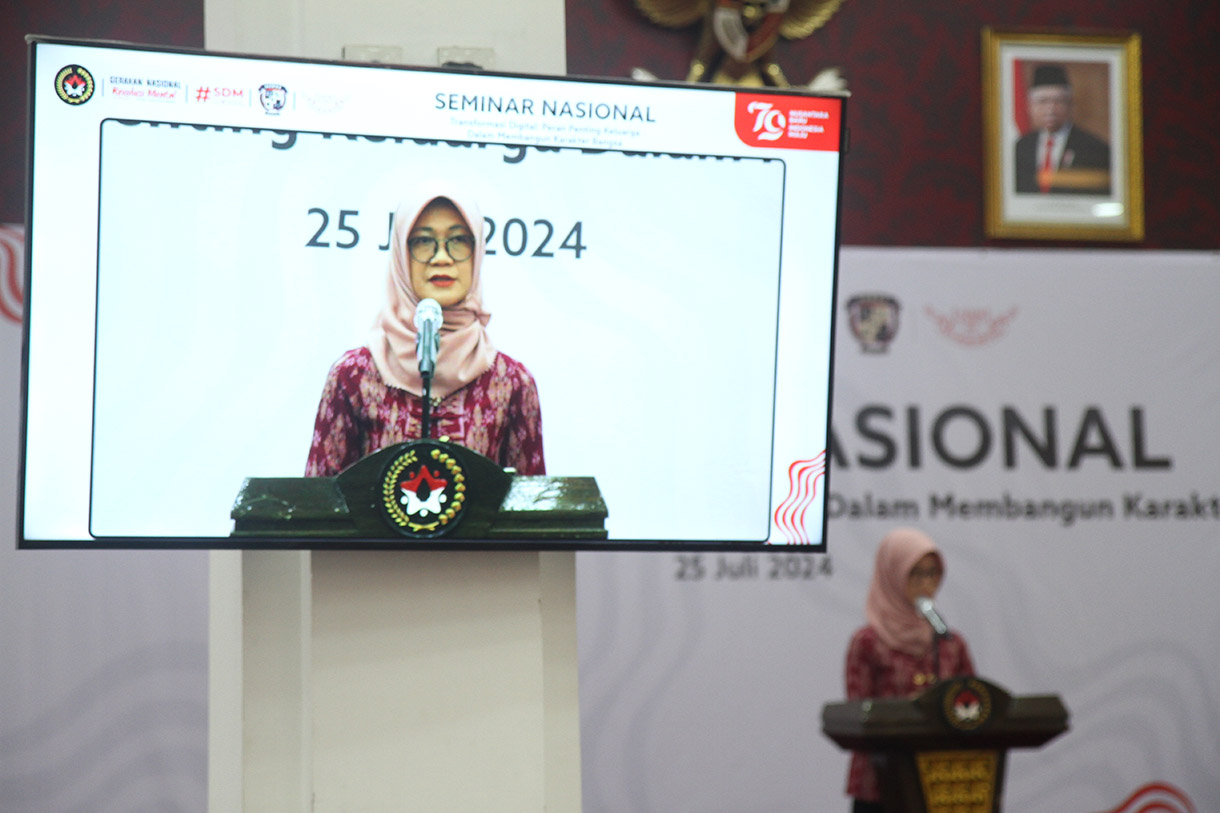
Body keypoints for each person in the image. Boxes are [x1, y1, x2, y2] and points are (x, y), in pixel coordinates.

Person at [305, 185, 545, 477]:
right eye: (422, 242)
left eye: (458, 240)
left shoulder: (511, 383)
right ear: (401, 255)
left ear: (477, 252)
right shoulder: (354, 375)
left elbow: (532, 509)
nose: (441, 257)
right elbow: (319, 504)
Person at [844, 527, 975, 813]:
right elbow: (859, 714)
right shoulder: (866, 643)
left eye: (932, 573)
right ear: (892, 574)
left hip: (943, 781)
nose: (925, 584)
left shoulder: (950, 643)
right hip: (880, 784)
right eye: (915, 574)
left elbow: (972, 706)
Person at [1014, 64, 1112, 195]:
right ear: (1030, 107)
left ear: (1070, 105)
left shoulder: (1095, 149)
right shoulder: (1020, 147)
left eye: (1058, 101)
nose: (1050, 110)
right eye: (1043, 102)